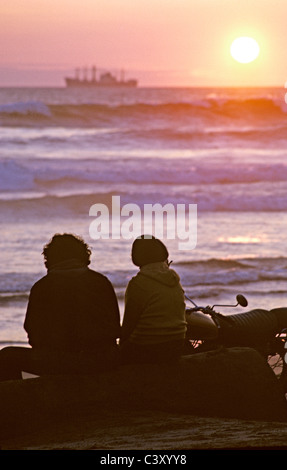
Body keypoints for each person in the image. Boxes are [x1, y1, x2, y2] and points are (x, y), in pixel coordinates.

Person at [0, 233, 121, 381]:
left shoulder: (42, 286)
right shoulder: (100, 281)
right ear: (83, 256)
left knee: (7, 356)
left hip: (58, 362)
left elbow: (32, 329)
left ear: (49, 259)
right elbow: (114, 326)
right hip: (101, 360)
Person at [120, 235, 187, 364]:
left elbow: (130, 323)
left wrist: (121, 345)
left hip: (147, 347)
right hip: (177, 344)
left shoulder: (138, 283)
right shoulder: (174, 278)